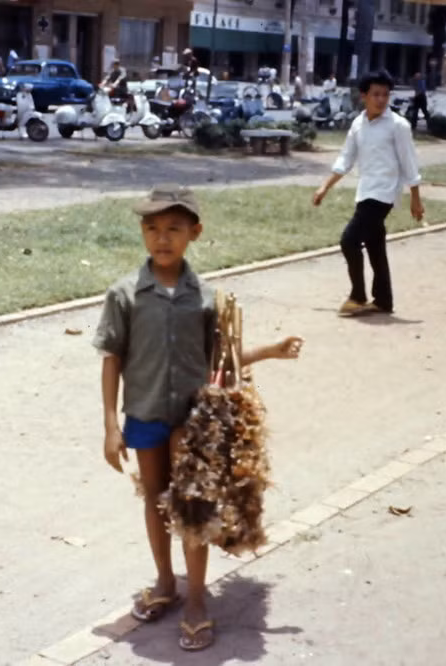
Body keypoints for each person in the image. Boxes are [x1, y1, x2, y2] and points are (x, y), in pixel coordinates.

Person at [93, 184, 303, 653]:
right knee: (153, 498)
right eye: (152, 228)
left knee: (192, 504)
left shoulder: (207, 299)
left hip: (193, 418)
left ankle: (195, 602)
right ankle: (166, 582)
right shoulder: (125, 294)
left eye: (173, 229)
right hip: (144, 413)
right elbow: (111, 358)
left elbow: (223, 360)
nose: (162, 238)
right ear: (142, 232)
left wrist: (269, 351)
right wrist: (110, 426)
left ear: (195, 233)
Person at [312, 70, 424, 317]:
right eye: (375, 94)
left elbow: (409, 163)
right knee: (374, 245)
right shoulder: (358, 124)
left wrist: (415, 199)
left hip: (383, 194)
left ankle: (358, 296)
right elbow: (346, 159)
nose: (381, 99)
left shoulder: (398, 126)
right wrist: (325, 187)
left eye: (385, 94)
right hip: (365, 191)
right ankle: (383, 300)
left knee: (349, 241)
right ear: (364, 96)